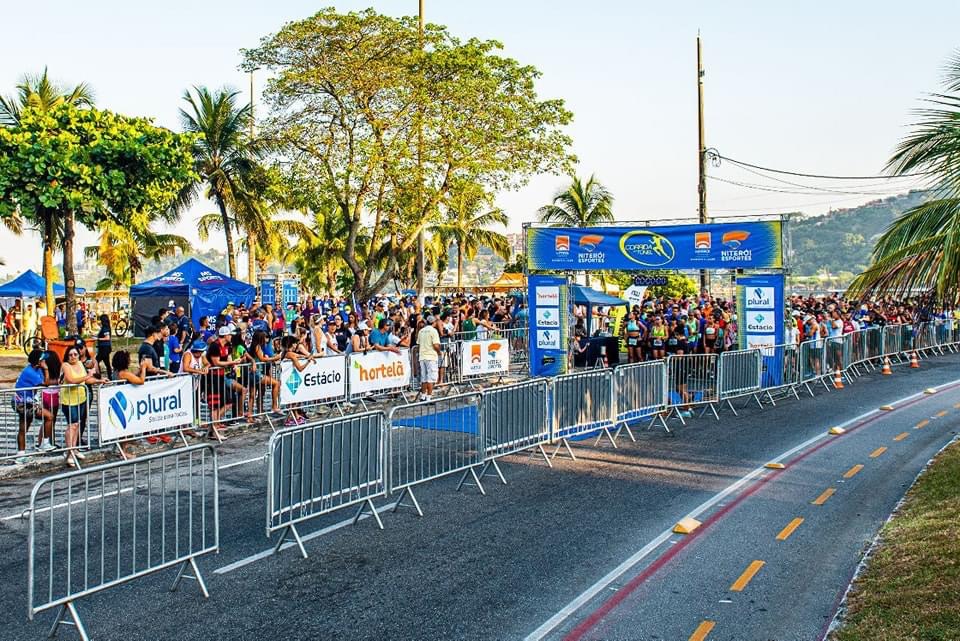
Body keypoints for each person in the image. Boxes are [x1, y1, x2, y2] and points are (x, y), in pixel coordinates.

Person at [12, 350, 56, 462]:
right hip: (23, 403)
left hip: (26, 401)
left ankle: (20, 454)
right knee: (49, 416)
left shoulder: (36, 369)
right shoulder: (30, 372)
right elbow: (46, 383)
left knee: (23, 428)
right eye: (42, 359)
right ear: (38, 362)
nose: (44, 361)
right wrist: (46, 369)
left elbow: (45, 382)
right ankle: (44, 444)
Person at [61, 345, 100, 467]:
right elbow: (71, 380)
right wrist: (88, 375)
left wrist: (99, 380)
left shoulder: (80, 364)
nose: (73, 357)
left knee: (77, 424)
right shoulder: (65, 365)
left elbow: (86, 381)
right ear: (67, 356)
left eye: (75, 354)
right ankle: (69, 452)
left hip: (81, 398)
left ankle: (75, 448)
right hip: (69, 400)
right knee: (72, 425)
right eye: (70, 355)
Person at [110, 350, 143, 459]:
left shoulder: (115, 372)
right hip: (124, 402)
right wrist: (144, 368)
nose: (130, 361)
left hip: (119, 401)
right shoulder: (124, 373)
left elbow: (132, 378)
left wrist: (137, 373)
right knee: (125, 428)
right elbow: (140, 381)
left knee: (123, 428)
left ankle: (123, 449)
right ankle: (123, 452)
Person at [280, 334, 316, 425]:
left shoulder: (287, 353)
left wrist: (307, 357)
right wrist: (308, 361)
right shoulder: (290, 354)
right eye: (295, 344)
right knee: (293, 400)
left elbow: (299, 356)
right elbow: (300, 368)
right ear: (292, 344)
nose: (296, 345)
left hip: (290, 378)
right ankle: (290, 418)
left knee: (295, 399)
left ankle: (295, 416)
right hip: (290, 378)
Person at [417, 315, 441, 402]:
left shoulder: (421, 331)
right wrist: (439, 352)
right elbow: (435, 345)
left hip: (422, 356)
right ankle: (429, 397)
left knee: (424, 377)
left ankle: (423, 396)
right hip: (431, 356)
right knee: (431, 378)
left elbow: (419, 344)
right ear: (433, 322)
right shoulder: (433, 331)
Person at [96, 314, 113, 379]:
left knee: (96, 361)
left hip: (104, 348)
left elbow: (107, 338)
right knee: (107, 363)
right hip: (104, 347)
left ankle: (98, 375)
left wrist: (98, 339)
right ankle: (110, 376)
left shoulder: (105, 328)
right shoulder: (105, 327)